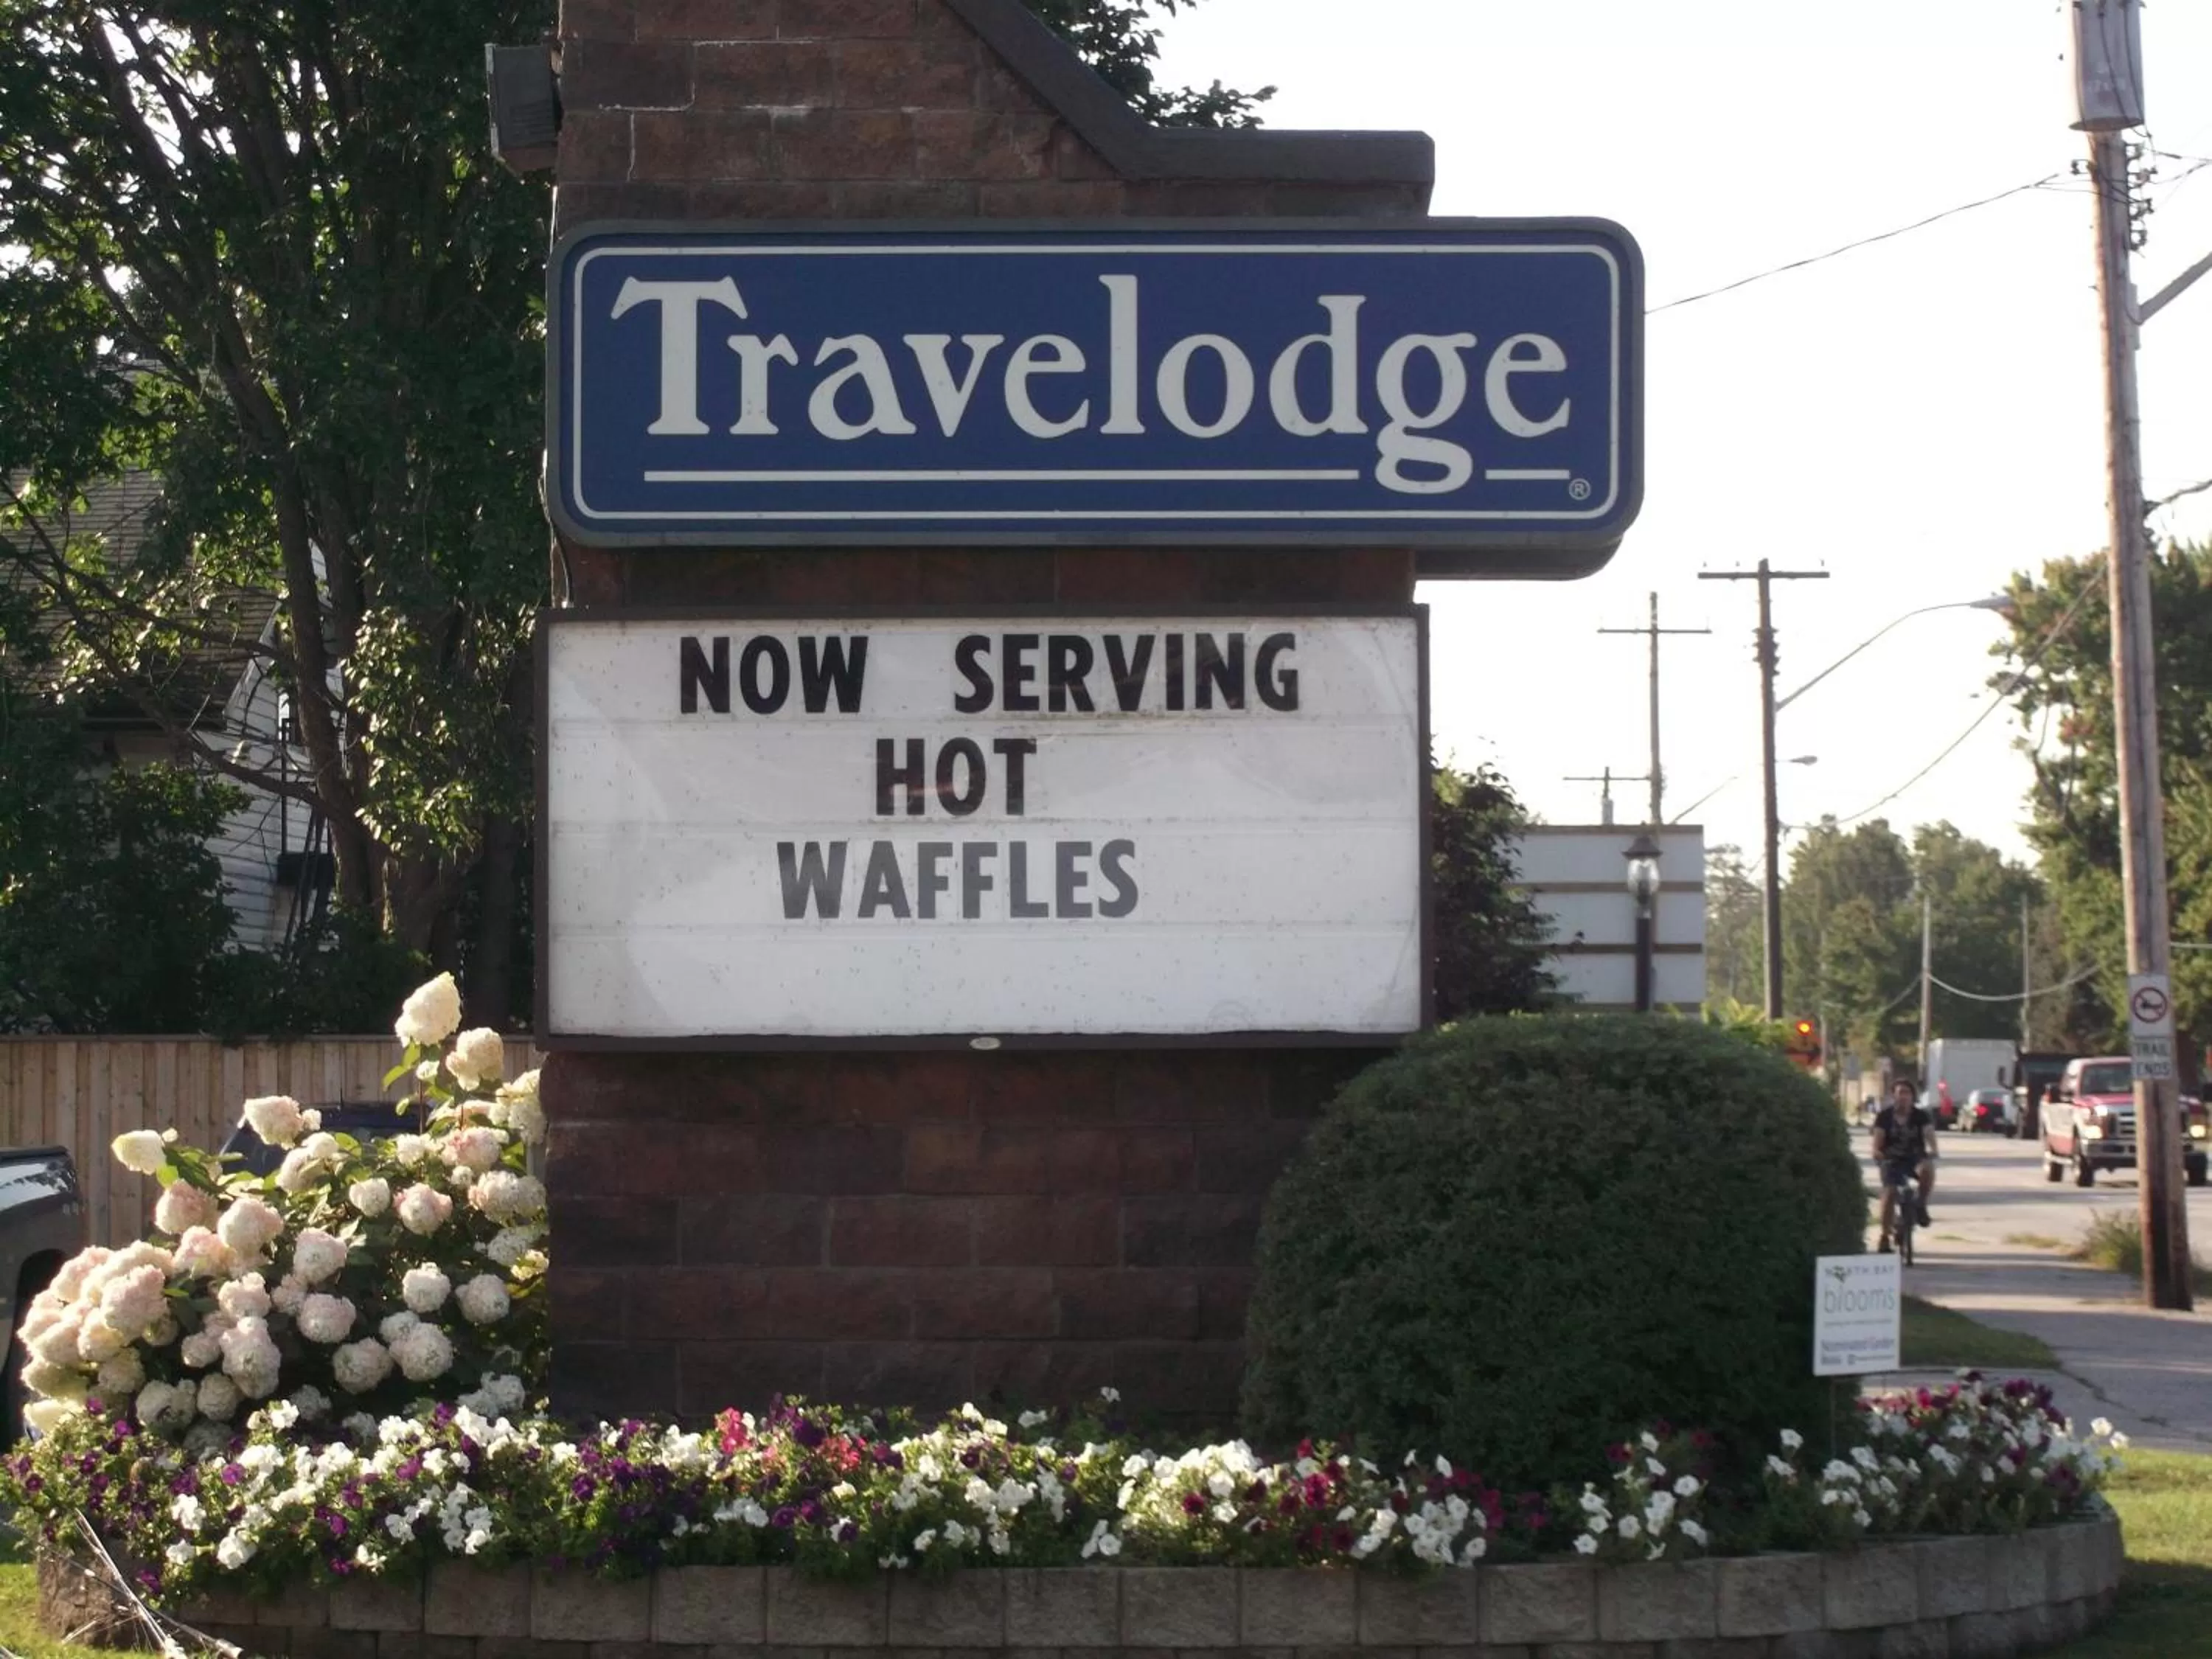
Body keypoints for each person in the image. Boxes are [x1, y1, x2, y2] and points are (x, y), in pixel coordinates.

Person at [1871, 1078, 1937, 1252]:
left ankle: (1921, 1205)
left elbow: (1929, 1134)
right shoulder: (1884, 1117)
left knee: (1928, 1169)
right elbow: (1877, 1141)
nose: (1903, 1097)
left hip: (1914, 1159)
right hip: (1891, 1160)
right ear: (1894, 1096)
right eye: (1899, 1093)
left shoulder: (1920, 1116)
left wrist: (1933, 1150)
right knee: (1890, 1192)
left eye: (1907, 1093)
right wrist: (1878, 1153)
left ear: (1912, 1096)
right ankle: (1885, 1237)